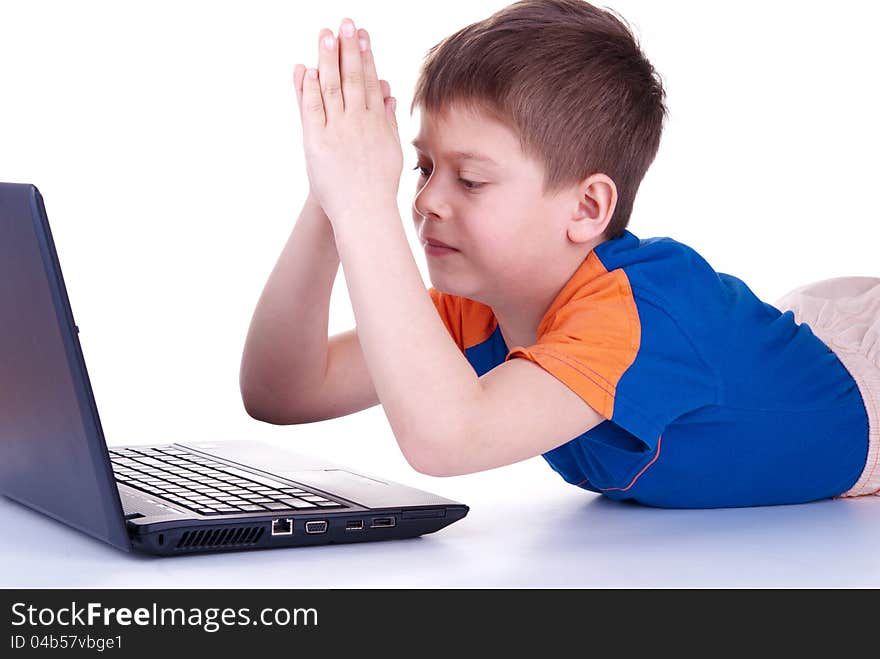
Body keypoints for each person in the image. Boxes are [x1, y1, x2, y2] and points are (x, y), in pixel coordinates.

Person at [239, 0, 879, 509]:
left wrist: (363, 208)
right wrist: (330, 197)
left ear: (587, 209)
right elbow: (284, 391)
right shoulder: (480, 305)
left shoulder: (633, 318)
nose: (428, 199)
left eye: (470, 179)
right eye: (421, 166)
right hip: (790, 355)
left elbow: (447, 437)